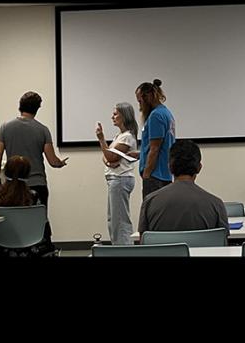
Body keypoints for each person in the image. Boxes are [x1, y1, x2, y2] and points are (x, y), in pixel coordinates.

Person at [0, 91, 68, 250]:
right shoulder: (43, 130)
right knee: (38, 221)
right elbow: (52, 161)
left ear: (20, 105)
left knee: (10, 221)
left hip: (10, 186)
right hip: (37, 185)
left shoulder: (5, 127)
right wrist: (60, 163)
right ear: (37, 108)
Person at [137, 139, 229, 236]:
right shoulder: (216, 204)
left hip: (164, 252)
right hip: (200, 251)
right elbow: (223, 242)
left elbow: (143, 241)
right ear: (199, 168)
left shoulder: (149, 202)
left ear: (169, 167)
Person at [96, 102, 139, 245]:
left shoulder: (127, 137)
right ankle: (119, 249)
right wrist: (109, 160)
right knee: (114, 220)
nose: (112, 117)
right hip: (115, 179)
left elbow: (109, 156)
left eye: (115, 114)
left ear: (124, 116)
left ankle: (124, 251)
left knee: (120, 221)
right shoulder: (119, 136)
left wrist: (101, 139)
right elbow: (107, 157)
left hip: (120, 179)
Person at [134, 79, 175, 199]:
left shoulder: (155, 116)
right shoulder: (166, 113)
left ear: (147, 98)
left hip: (155, 176)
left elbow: (155, 149)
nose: (140, 106)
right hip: (165, 174)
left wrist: (147, 175)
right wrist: (140, 154)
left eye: (140, 101)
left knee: (152, 213)